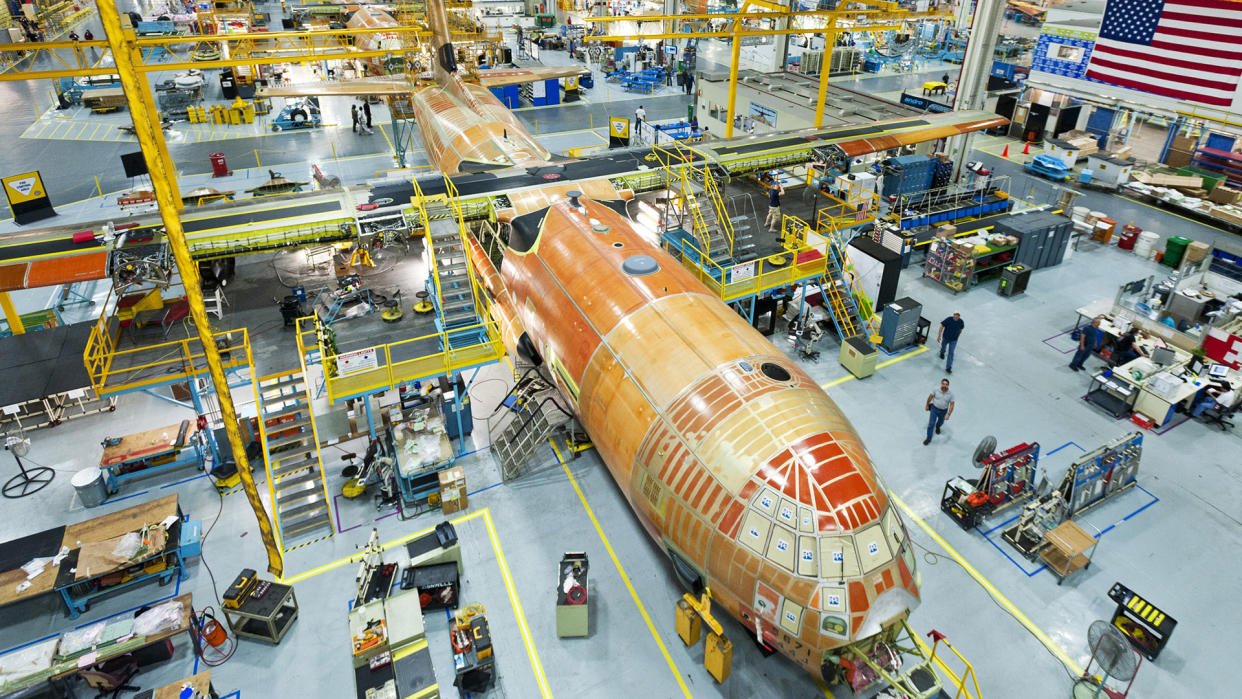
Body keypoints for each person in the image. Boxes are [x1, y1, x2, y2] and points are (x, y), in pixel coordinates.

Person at [924, 378, 955, 445]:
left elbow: (952, 405)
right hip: (934, 409)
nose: (944, 385)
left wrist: (948, 414)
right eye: (943, 384)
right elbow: (930, 397)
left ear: (948, 385)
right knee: (931, 424)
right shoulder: (936, 389)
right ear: (941, 384)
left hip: (943, 411)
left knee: (941, 422)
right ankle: (928, 438)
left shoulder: (951, 394)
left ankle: (938, 426)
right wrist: (927, 405)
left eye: (946, 384)